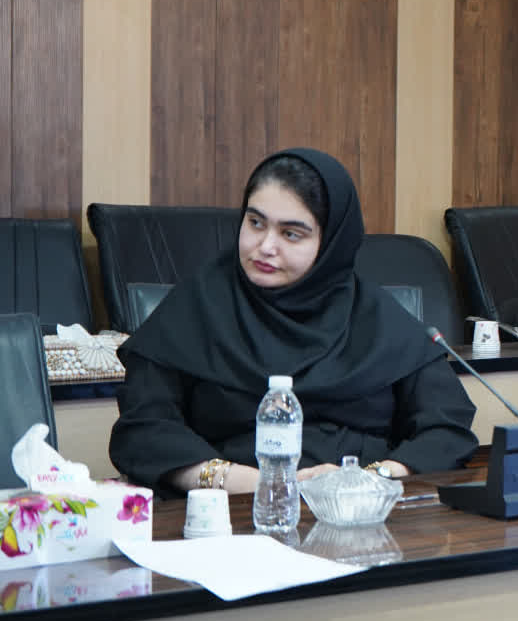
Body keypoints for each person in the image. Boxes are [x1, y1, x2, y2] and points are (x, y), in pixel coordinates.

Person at [109, 148, 478, 495]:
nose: (265, 246)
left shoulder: (377, 318)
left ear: (332, 243)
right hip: (229, 512)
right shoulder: (195, 308)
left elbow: (446, 429)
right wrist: (265, 484)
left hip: (362, 510)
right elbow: (144, 433)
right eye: (255, 223)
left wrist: (368, 479)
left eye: (291, 234)